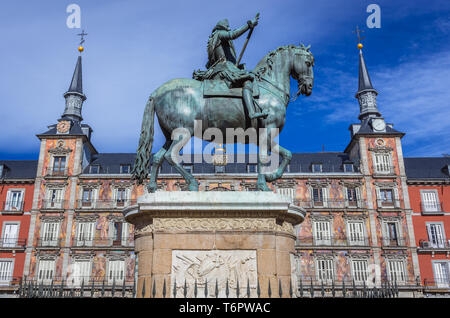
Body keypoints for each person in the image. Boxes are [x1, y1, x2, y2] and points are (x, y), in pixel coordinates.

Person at [198, 16, 268, 119]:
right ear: (223, 28)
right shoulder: (219, 34)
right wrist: (248, 25)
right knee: (248, 80)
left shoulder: (213, 40)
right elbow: (232, 35)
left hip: (220, 69)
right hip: (225, 68)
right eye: (227, 27)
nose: (229, 29)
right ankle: (252, 113)